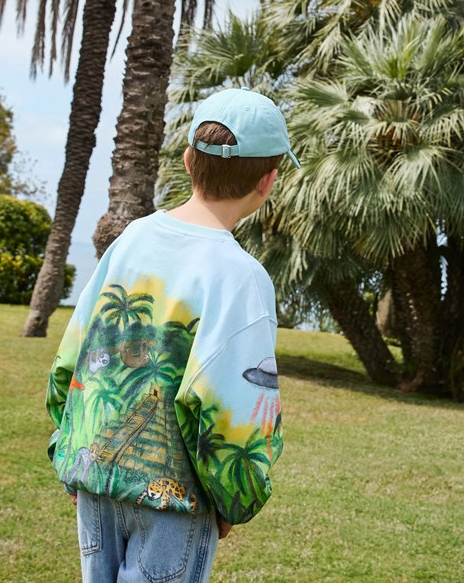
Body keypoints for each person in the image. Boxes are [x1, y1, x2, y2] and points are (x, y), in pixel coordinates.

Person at [45, 88, 296, 583]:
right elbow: (236, 406)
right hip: (177, 501)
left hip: (96, 477)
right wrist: (234, 499)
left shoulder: (132, 238)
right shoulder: (242, 276)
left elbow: (75, 353)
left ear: (186, 160)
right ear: (267, 181)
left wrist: (71, 451)